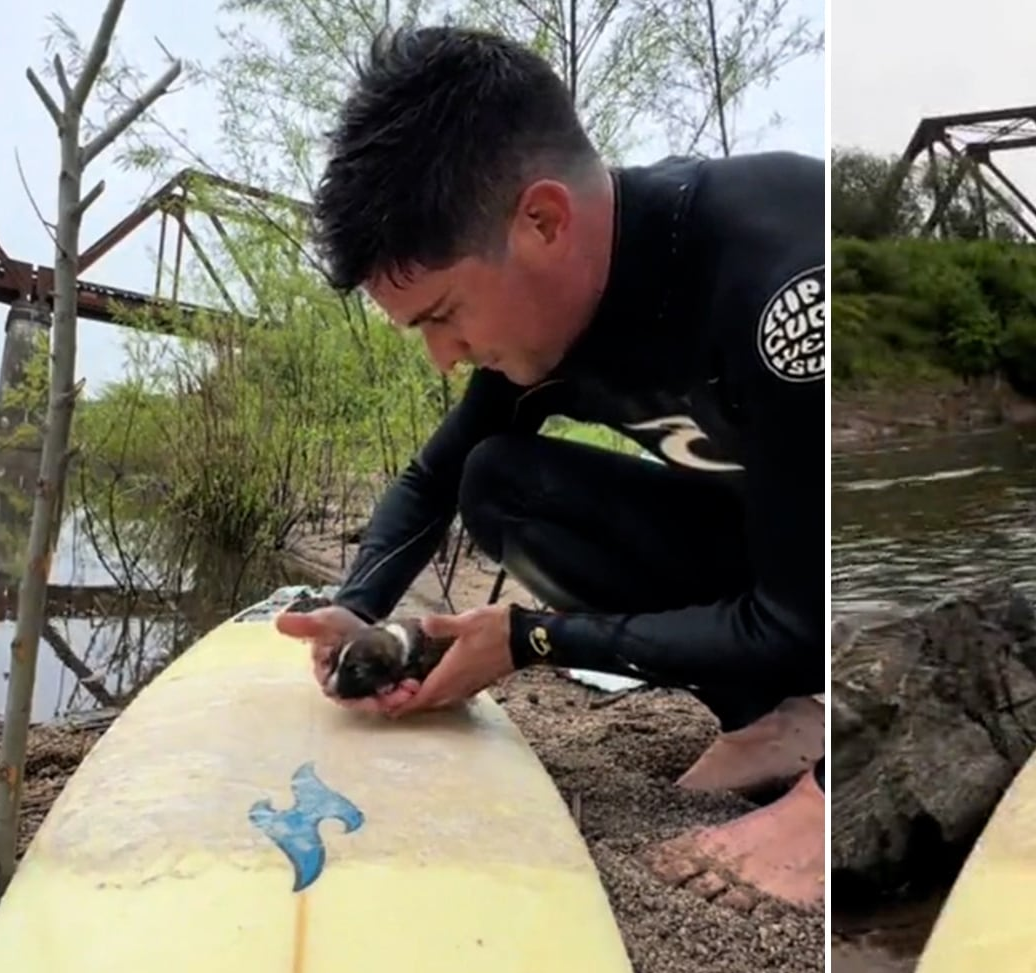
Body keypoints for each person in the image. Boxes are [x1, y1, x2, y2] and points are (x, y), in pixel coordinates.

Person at [272, 25, 826, 911]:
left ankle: (829, 779)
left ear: (542, 221)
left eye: (442, 316)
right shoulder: (548, 319)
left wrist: (532, 639)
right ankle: (773, 717)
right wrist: (361, 610)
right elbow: (433, 482)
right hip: (765, 554)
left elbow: (821, 605)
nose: (442, 358)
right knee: (500, 479)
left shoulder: (787, 284)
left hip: (843, 567)